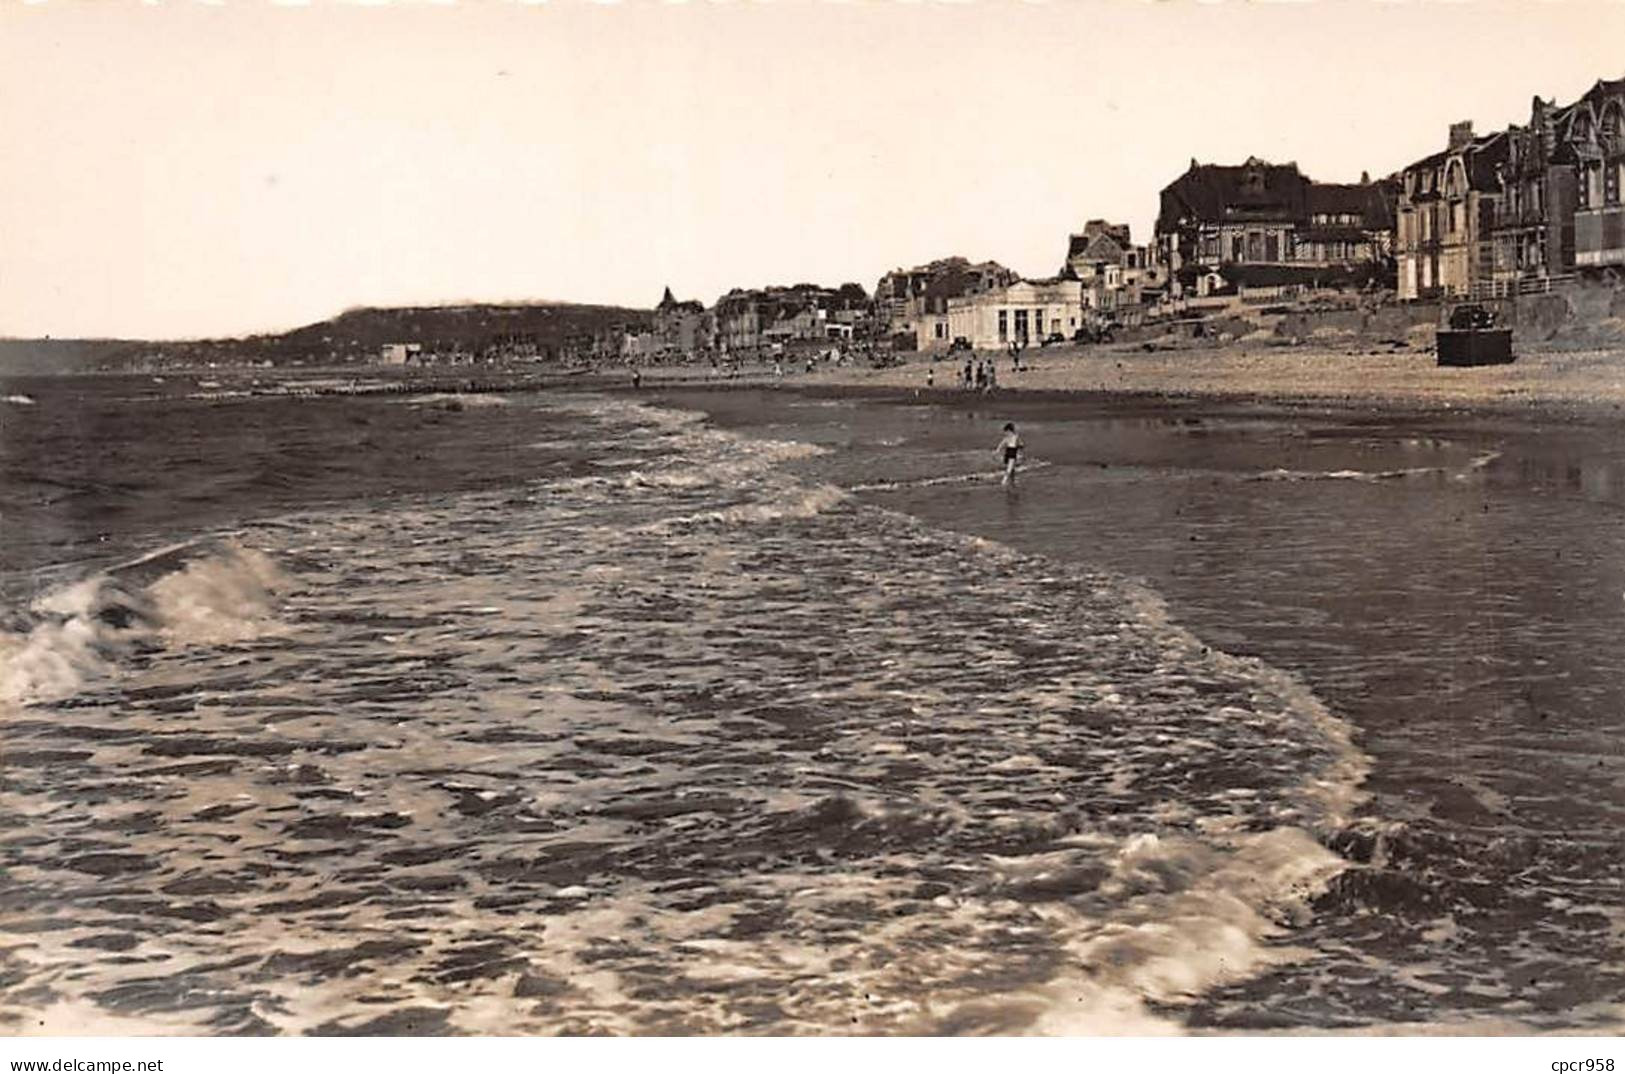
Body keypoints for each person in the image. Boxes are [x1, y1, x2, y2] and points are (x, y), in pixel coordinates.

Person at [997, 422, 1024, 486]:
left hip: (1007, 452)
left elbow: (1002, 443)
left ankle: (1012, 481)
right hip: (1012, 453)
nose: (1005, 433)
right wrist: (1020, 447)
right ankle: (1003, 482)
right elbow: (1021, 444)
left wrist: (998, 450)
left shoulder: (1007, 437)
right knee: (1009, 469)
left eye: (1006, 431)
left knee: (1012, 469)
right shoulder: (1015, 436)